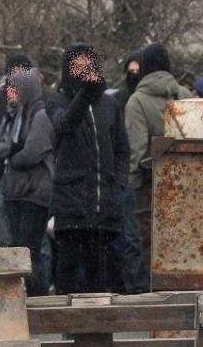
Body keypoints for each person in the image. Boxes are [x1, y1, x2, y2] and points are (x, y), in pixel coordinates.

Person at [46, 43, 129, 294]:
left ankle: (97, 328)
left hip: (103, 202)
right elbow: (65, 124)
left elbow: (122, 149)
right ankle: (65, 327)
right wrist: (85, 93)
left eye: (88, 64)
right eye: (77, 65)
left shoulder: (110, 105)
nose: (84, 69)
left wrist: (119, 184)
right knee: (68, 268)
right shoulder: (55, 102)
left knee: (100, 271)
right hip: (71, 202)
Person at [0, 67, 54, 295]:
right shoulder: (12, 118)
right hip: (13, 191)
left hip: (34, 193)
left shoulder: (40, 116)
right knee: (16, 249)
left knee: (31, 251)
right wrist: (12, 149)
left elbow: (32, 152)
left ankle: (38, 299)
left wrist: (10, 155)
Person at [126, 42, 192, 269]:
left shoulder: (137, 101)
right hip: (186, 181)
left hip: (149, 185)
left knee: (151, 245)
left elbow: (137, 148)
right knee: (184, 242)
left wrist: (133, 180)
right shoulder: (184, 94)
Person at [107, 50, 149, 294]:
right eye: (130, 71)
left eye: (137, 71)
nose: (134, 75)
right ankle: (129, 284)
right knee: (128, 235)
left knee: (136, 235)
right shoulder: (119, 101)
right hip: (124, 176)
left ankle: (139, 284)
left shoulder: (135, 101)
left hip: (136, 174)